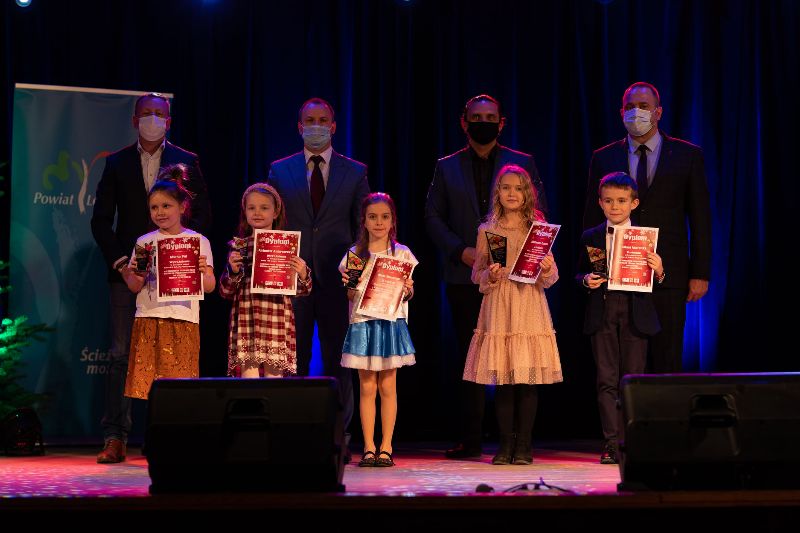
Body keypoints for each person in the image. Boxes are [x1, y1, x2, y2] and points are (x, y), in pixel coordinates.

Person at [425, 94, 548, 459]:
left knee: (517, 361)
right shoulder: (446, 166)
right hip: (467, 275)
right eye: (476, 117)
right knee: (474, 358)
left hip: (520, 287)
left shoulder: (522, 163)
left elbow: (540, 216)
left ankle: (516, 442)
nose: (484, 122)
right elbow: (432, 216)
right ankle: (473, 438)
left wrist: (535, 262)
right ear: (464, 122)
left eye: (490, 117)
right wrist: (461, 251)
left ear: (501, 122)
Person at [91, 92, 211, 464]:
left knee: (173, 363)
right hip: (131, 275)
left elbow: (203, 214)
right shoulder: (117, 162)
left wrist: (186, 256)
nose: (152, 119)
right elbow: (101, 221)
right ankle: (116, 436)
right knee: (121, 355)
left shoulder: (187, 161)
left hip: (178, 289)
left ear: (169, 121)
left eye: (159, 114)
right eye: (146, 113)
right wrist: (122, 264)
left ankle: (166, 436)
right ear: (134, 119)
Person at [583, 82, 711, 373]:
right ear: (621, 113)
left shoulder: (687, 155)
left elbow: (701, 219)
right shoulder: (603, 157)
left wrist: (700, 273)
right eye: (630, 107)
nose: (636, 112)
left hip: (668, 274)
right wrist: (595, 268)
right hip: (617, 275)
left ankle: (667, 406)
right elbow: (592, 219)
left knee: (667, 358)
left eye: (643, 106)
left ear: (658, 112)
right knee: (623, 364)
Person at [267, 98, 370, 455]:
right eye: (309, 120)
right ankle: (295, 433)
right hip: (291, 278)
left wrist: (353, 277)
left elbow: (362, 230)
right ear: (299, 127)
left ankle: (340, 436)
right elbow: (271, 223)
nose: (316, 125)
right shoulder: (279, 170)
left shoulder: (355, 172)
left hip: (337, 281)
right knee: (291, 359)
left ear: (334, 126)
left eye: (323, 120)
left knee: (339, 360)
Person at [462, 164, 562, 465]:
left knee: (526, 380)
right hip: (500, 305)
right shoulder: (487, 230)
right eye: (506, 188)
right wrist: (489, 275)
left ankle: (525, 446)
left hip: (528, 304)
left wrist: (547, 269)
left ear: (527, 193)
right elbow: (477, 274)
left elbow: (551, 277)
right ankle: (505, 445)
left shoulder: (538, 229)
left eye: (518, 188)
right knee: (504, 379)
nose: (512, 193)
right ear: (498, 192)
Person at [577, 172, 663, 464]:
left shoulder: (645, 236)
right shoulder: (591, 236)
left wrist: (659, 270)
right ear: (600, 203)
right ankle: (612, 443)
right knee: (606, 379)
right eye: (609, 201)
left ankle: (632, 440)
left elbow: (658, 279)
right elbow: (579, 272)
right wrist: (585, 279)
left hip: (634, 310)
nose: (615, 206)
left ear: (633, 203)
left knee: (633, 379)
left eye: (622, 201)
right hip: (602, 310)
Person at [119, 165, 215, 400]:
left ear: (182, 207)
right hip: (149, 319)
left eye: (166, 206)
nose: (160, 212)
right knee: (147, 390)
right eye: (154, 207)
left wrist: (203, 272)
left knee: (179, 392)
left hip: (183, 321)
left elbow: (210, 286)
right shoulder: (145, 242)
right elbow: (135, 286)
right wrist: (130, 273)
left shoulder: (198, 241)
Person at [338, 193, 417, 468]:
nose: (379, 222)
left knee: (387, 386)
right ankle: (369, 447)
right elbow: (350, 296)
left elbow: (408, 293)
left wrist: (408, 289)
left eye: (385, 217)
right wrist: (350, 284)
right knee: (367, 387)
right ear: (364, 220)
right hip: (363, 324)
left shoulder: (401, 254)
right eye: (373, 217)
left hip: (390, 323)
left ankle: (387, 447)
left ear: (393, 220)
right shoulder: (355, 255)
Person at [219, 183, 311, 377]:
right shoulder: (239, 246)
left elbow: (301, 290)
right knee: (249, 379)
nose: (257, 213)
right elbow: (225, 291)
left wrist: (302, 273)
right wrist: (233, 271)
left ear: (275, 212)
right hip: (247, 317)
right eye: (251, 208)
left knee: (274, 380)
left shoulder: (286, 245)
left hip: (276, 317)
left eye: (264, 208)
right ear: (245, 211)